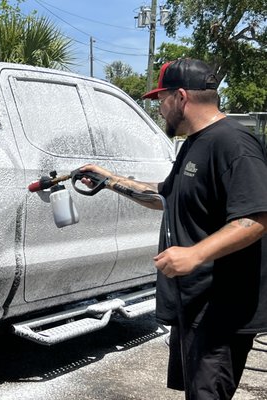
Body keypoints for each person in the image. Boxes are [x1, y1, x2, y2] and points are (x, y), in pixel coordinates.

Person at [81, 58, 267, 399]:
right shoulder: (196, 143)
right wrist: (108, 180)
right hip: (193, 305)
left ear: (180, 97)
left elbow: (254, 219)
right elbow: (164, 198)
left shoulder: (234, 144)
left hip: (220, 311)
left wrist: (195, 254)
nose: (160, 109)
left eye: (161, 99)